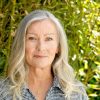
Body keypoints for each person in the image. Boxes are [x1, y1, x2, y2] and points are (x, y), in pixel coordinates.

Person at [0, 10, 88, 100]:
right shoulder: (3, 91)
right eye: (32, 38)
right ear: (21, 44)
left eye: (49, 39)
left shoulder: (76, 92)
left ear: (58, 46)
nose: (41, 47)